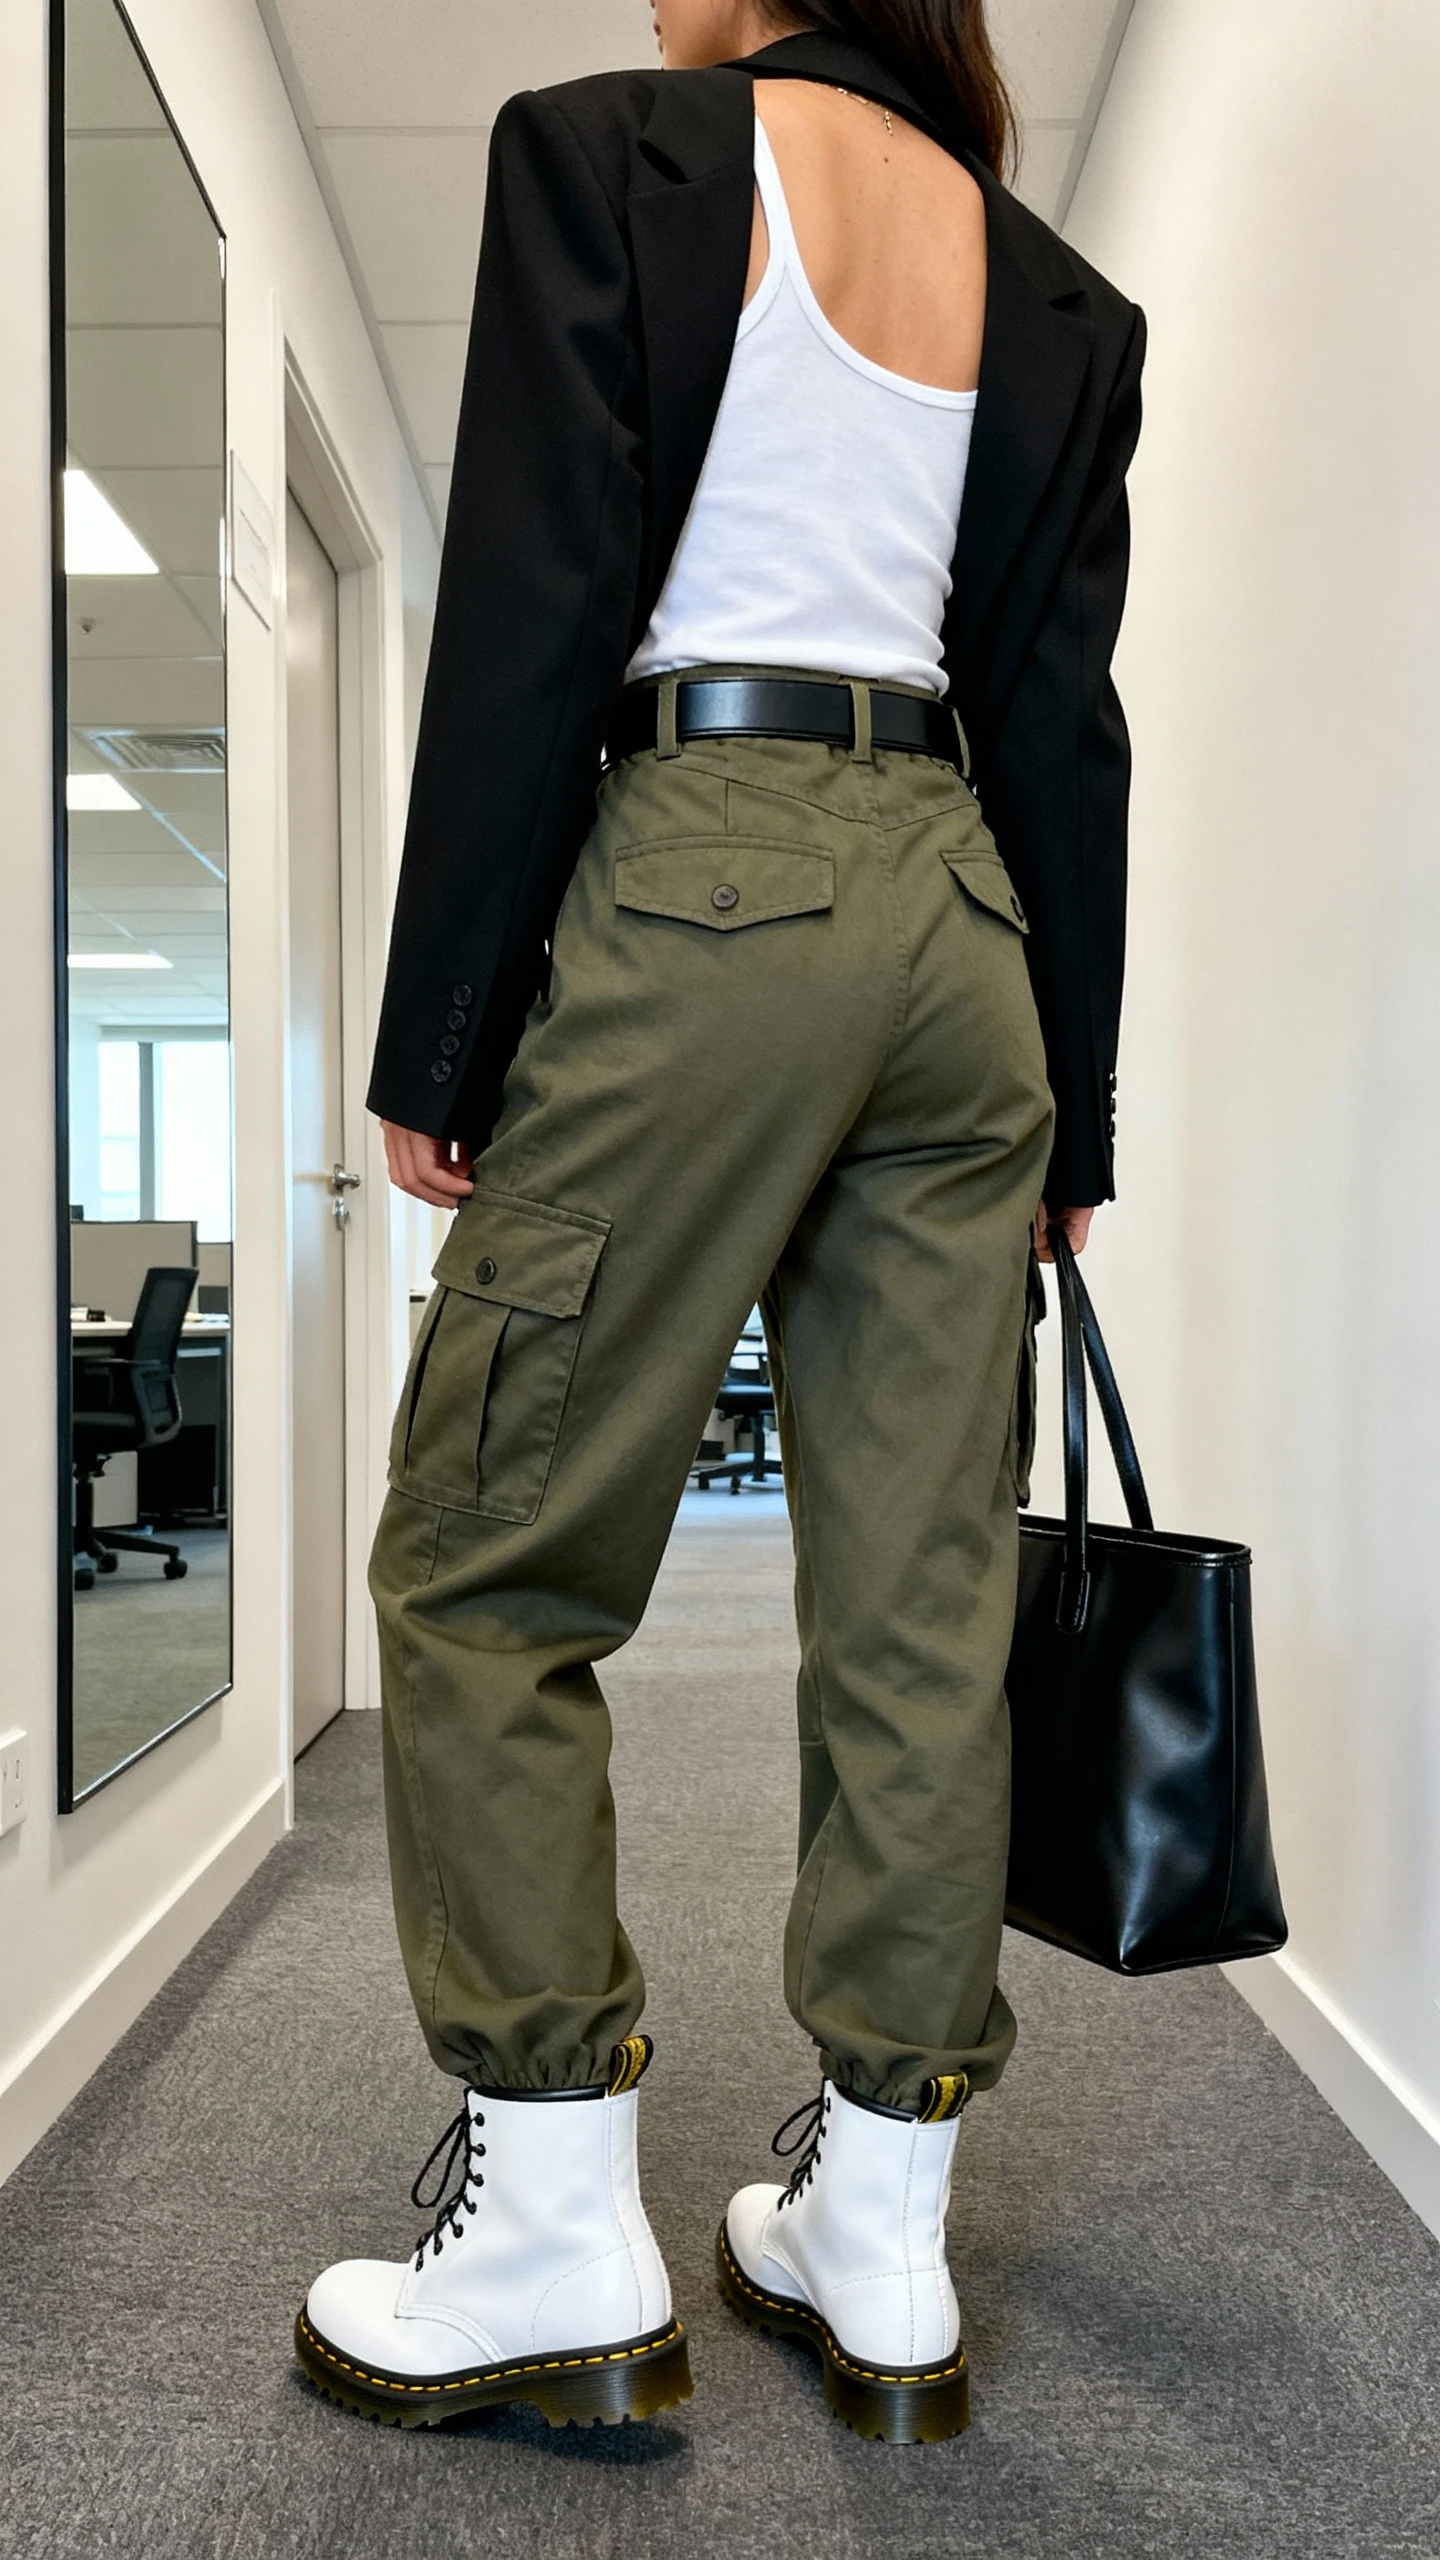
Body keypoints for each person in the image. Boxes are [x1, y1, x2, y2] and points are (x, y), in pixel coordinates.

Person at [295, 0, 1144, 2446]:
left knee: (485, 1557)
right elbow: (1061, 721)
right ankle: (877, 2247)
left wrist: (441, 1032)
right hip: (961, 940)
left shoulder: (618, 152)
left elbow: (534, 612)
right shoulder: (1057, 286)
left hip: (708, 876)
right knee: (917, 1605)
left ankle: (558, 2223)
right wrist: (1071, 1116)